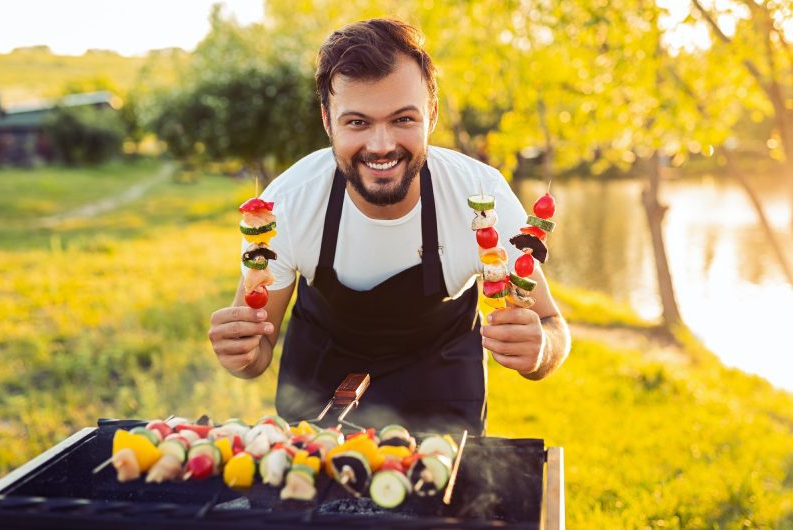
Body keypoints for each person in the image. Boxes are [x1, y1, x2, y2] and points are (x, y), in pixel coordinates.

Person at [208, 18, 570, 435]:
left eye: (402, 119)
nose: (381, 146)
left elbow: (552, 326)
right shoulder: (284, 206)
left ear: (431, 115)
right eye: (357, 122)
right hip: (318, 392)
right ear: (328, 122)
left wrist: (540, 351)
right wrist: (241, 353)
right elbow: (257, 353)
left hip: (442, 390)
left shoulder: (480, 197)